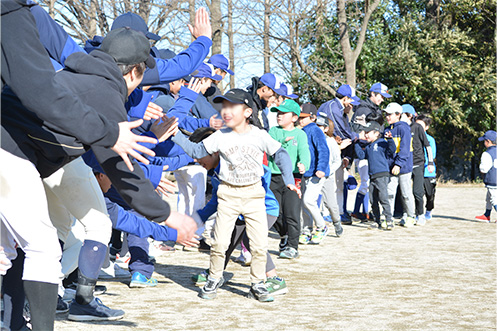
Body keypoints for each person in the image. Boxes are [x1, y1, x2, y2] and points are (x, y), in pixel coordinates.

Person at [2, 27, 199, 324]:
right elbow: (120, 169)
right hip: (10, 152)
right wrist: (168, 217)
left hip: (30, 154)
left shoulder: (82, 76)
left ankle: (16, 321)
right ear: (134, 71)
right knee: (40, 245)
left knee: (16, 247)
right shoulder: (104, 92)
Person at [171, 88, 298, 302]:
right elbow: (195, 152)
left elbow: (281, 154)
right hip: (228, 195)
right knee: (219, 242)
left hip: (254, 195)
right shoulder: (220, 136)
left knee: (258, 244)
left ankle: (258, 283)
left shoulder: (259, 135)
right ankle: (213, 279)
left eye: (232, 106)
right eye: (223, 107)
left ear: (248, 112)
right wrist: (173, 133)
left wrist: (288, 179)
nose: (226, 111)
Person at [189, 128, 288, 296]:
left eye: (199, 155)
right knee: (224, 239)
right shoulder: (217, 173)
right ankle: (215, 274)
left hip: (264, 209)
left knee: (250, 239)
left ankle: (274, 279)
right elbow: (215, 202)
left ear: (213, 151)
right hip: (236, 211)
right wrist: (196, 219)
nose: (195, 159)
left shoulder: (239, 160)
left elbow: (265, 173)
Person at [267, 99, 310, 259]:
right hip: (273, 177)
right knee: (275, 212)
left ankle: (292, 246)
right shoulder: (273, 131)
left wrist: (303, 164)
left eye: (283, 113)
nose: (279, 116)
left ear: (294, 117)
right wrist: (282, 142)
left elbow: (304, 153)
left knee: (292, 213)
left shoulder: (300, 134)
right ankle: (284, 234)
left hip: (293, 178)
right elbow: (270, 148)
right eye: (278, 113)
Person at [319, 84, 361, 223]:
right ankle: (327, 213)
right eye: (351, 100)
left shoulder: (338, 109)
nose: (351, 105)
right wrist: (358, 136)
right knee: (329, 183)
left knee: (337, 184)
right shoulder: (334, 108)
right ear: (346, 98)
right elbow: (343, 133)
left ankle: (338, 212)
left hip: (336, 148)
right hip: (328, 148)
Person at [350, 82, 392, 221]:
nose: (382, 99)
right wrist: (363, 143)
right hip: (364, 150)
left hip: (373, 151)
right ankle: (358, 211)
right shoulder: (363, 109)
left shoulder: (375, 109)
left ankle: (364, 212)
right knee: (366, 184)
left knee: (368, 184)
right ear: (372, 93)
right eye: (380, 96)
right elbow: (357, 131)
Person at [298, 104, 331, 245]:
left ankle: (322, 226)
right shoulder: (301, 131)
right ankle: (306, 230)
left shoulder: (315, 130)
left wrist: (321, 167)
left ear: (313, 117)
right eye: (300, 117)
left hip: (317, 173)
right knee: (304, 203)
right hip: (307, 173)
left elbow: (323, 150)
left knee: (308, 200)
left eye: (304, 117)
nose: (301, 119)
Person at [355, 121, 397, 230]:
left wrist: (390, 140)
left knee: (383, 197)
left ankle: (389, 219)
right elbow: (361, 155)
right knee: (373, 199)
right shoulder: (369, 146)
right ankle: (377, 220)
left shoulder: (382, 142)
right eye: (365, 132)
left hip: (382, 175)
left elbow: (391, 150)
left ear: (376, 133)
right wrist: (356, 143)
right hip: (372, 176)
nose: (366, 135)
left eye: (368, 132)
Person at [383, 103, 416, 227]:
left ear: (398, 115)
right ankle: (388, 217)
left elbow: (405, 149)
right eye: (386, 114)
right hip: (391, 167)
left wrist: (398, 164)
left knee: (406, 193)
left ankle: (411, 216)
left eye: (390, 114)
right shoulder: (387, 129)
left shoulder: (404, 128)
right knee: (389, 192)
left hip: (404, 167)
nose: (387, 117)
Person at [401, 104, 435, 226]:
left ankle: (420, 215)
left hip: (418, 164)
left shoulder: (417, 127)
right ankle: (407, 214)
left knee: (417, 192)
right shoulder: (400, 127)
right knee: (404, 192)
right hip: (404, 165)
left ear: (409, 116)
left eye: (402, 114)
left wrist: (430, 162)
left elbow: (427, 146)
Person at [316, 115, 349, 237]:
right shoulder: (310, 138)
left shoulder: (330, 142)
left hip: (326, 177)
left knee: (330, 204)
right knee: (308, 201)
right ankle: (309, 227)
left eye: (320, 126)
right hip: (312, 176)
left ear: (325, 128)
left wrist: (328, 171)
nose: (317, 128)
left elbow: (337, 161)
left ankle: (336, 222)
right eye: (316, 125)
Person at [416, 115, 437, 220]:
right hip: (417, 171)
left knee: (430, 195)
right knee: (417, 193)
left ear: (427, 127)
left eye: (420, 125)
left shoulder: (430, 140)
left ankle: (429, 210)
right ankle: (417, 213)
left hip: (428, 172)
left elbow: (432, 155)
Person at [475, 130, 497, 222]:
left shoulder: (487, 154)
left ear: (488, 141)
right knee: (488, 198)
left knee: (493, 199)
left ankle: (487, 215)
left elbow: (484, 169)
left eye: (484, 141)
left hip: (492, 180)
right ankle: (487, 215)